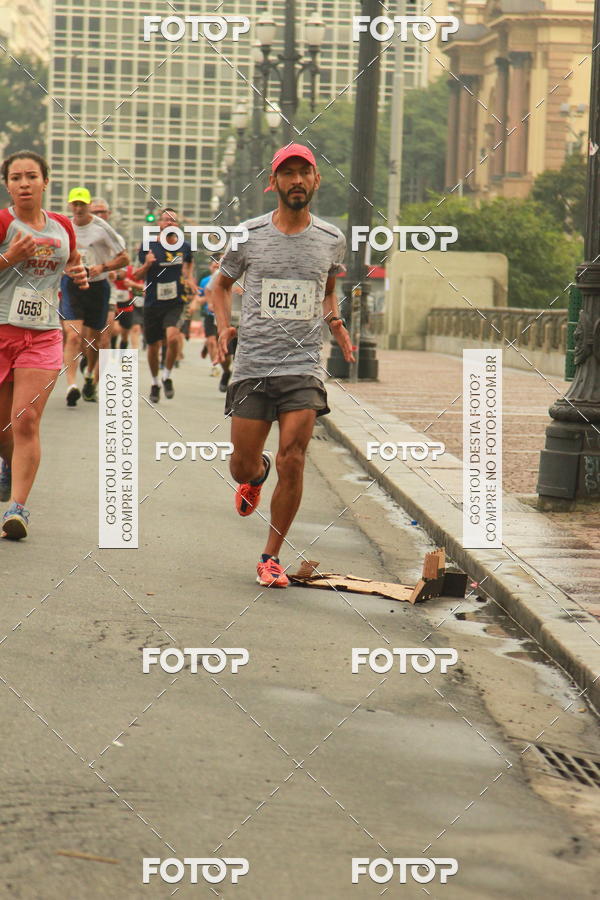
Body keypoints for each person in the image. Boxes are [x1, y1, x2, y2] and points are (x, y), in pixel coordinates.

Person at [212, 144, 354, 588]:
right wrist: (223, 327)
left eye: (303, 173)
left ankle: (271, 555)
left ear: (316, 181)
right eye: (287, 173)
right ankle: (256, 474)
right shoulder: (248, 235)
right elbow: (219, 285)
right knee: (240, 465)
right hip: (254, 365)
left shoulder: (331, 239)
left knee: (293, 456)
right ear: (272, 183)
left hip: (303, 366)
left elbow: (326, 290)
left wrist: (335, 321)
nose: (296, 180)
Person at [0, 150, 88, 539]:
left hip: (43, 333)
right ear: (7, 185)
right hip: (2, 332)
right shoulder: (3, 222)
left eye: (31, 176)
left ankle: (17, 509)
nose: (24, 183)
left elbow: (72, 260)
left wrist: (78, 272)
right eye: (16, 177)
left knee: (26, 419)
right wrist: (9, 257)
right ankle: (7, 464)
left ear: (45, 182)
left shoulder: (62, 226)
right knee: (3, 428)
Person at [60, 187, 128, 405]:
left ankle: (89, 374)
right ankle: (71, 385)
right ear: (70, 205)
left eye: (82, 204)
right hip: (72, 284)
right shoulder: (64, 226)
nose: (79, 208)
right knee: (73, 336)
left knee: (95, 341)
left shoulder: (102, 228)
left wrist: (102, 267)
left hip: (97, 287)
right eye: (75, 204)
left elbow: (124, 258)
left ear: (88, 205)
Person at [133, 208, 196, 402]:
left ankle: (167, 376)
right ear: (159, 224)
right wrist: (147, 264)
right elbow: (137, 275)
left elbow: (188, 266)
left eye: (173, 220)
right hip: (153, 302)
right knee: (153, 346)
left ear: (177, 225)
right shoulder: (148, 246)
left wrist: (190, 281)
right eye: (165, 220)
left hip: (175, 301)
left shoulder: (185, 246)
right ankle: (155, 383)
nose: (169, 223)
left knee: (173, 338)